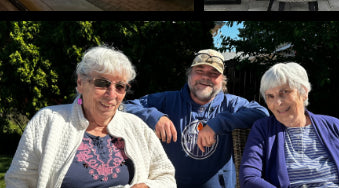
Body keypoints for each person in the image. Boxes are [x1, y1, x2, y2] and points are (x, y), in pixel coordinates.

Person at [5, 45, 176, 188]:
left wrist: (147, 186)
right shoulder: (48, 121)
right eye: (102, 83)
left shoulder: (136, 127)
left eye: (120, 86)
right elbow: (18, 181)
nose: (112, 95)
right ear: (80, 83)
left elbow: (166, 177)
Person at [123, 50, 268, 188]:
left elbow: (261, 113)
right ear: (189, 74)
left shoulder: (230, 104)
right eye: (199, 71)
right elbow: (125, 106)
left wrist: (219, 123)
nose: (206, 77)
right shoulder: (168, 100)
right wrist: (155, 117)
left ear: (222, 80)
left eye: (214, 73)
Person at [239, 63, 339, 188]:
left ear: (304, 93)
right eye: (270, 96)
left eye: (284, 92)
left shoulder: (334, 126)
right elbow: (249, 178)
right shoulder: (263, 129)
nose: (277, 103)